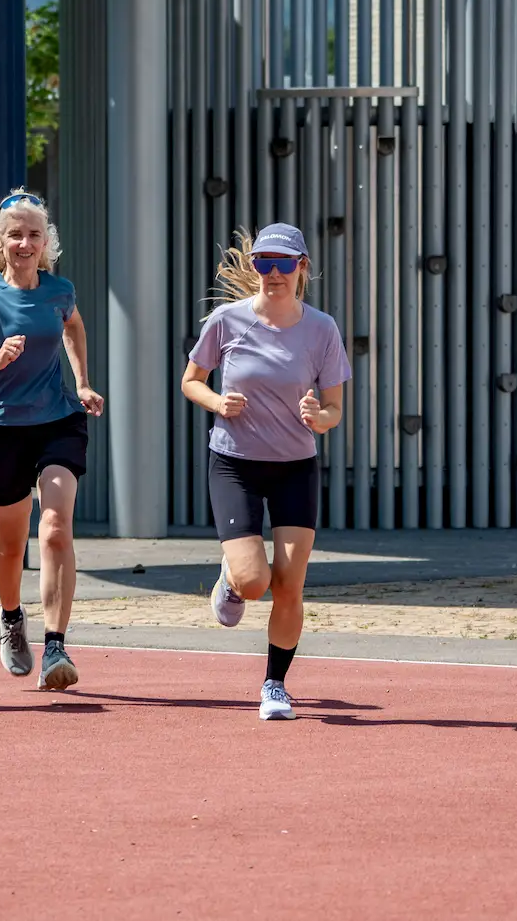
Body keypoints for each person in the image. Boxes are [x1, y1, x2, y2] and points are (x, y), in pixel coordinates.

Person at [182, 223, 352, 720]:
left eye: (283, 264)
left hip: (295, 467)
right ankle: (233, 579)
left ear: (302, 267)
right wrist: (217, 402)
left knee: (290, 585)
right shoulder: (226, 320)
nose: (273, 273)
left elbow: (335, 409)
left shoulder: (322, 329)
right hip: (235, 463)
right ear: (254, 267)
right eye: (263, 263)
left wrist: (319, 417)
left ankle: (275, 685)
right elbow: (191, 380)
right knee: (256, 582)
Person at [0, 189, 104, 691]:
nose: (25, 243)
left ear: (46, 242)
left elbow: (73, 327)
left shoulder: (60, 290)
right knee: (10, 547)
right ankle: (11, 617)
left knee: (54, 528)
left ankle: (55, 644)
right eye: (15, 235)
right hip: (2, 427)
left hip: (58, 421)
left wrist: (82, 382)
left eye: (34, 234)